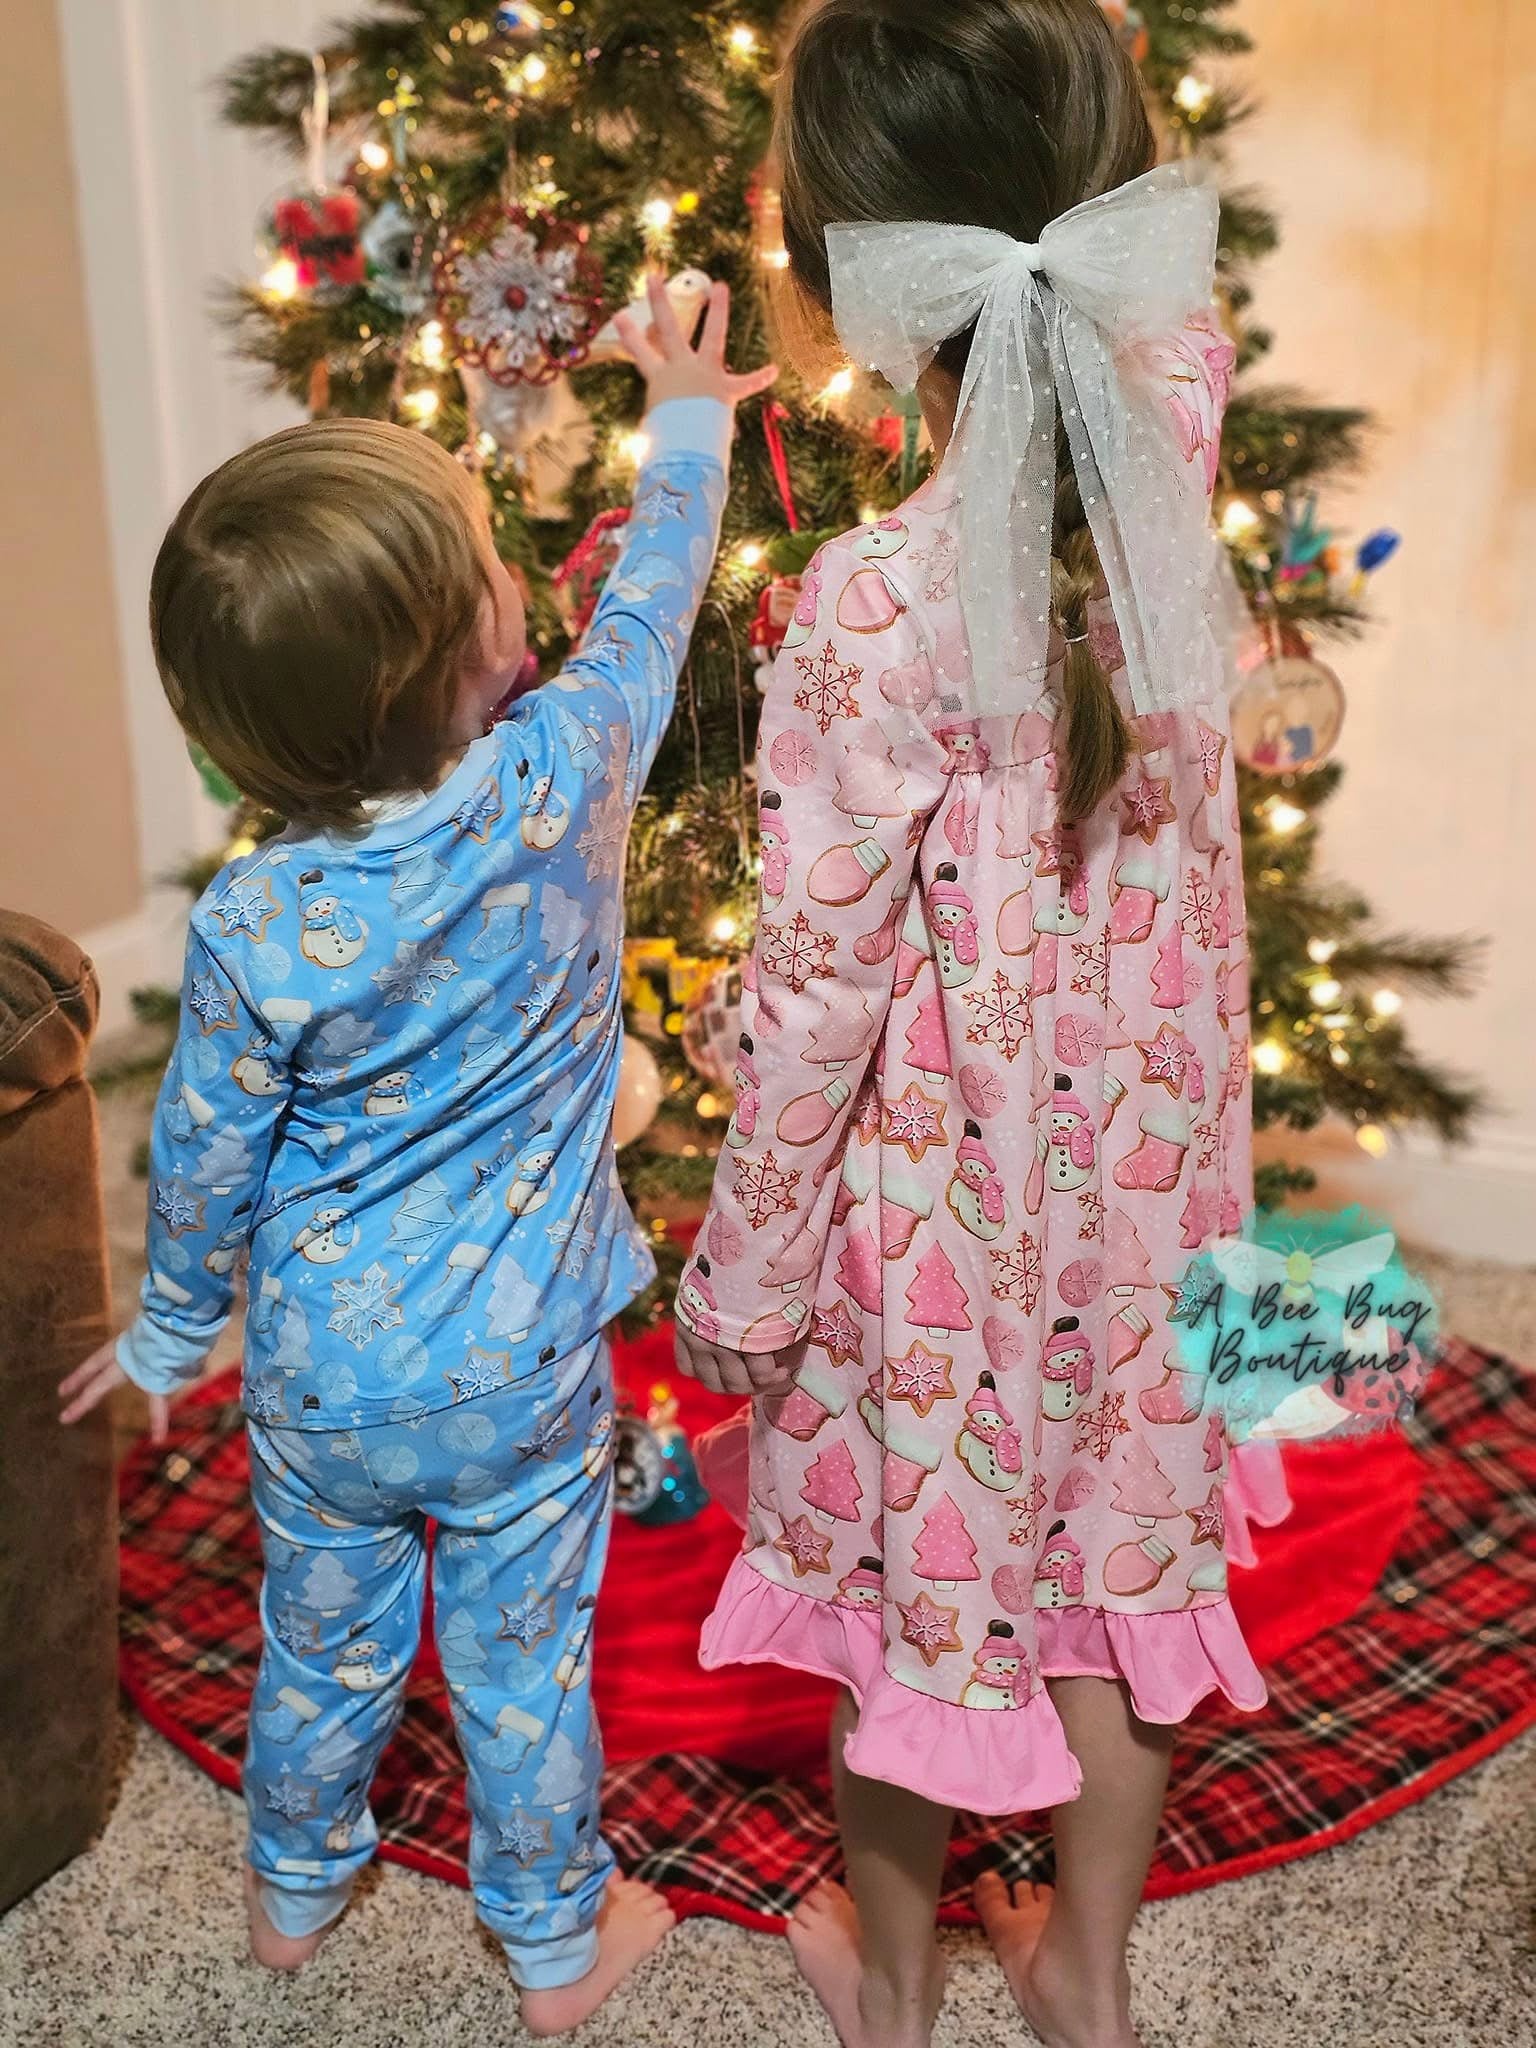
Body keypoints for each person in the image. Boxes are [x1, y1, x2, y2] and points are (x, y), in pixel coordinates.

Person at [61, 276, 774, 2035]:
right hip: (521, 1363)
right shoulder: (566, 772)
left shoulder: (255, 917)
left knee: (324, 1638)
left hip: (316, 1373)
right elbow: (659, 605)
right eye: (488, 555)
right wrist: (688, 413)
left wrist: (166, 1334)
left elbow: (208, 1157)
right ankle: (553, 1940)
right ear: (487, 652)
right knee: (521, 1660)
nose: (513, 569)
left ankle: (294, 1887)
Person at [672, 5, 1265, 2045]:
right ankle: (1088, 1976)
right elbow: (1160, 313)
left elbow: (815, 990)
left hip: (947, 1225)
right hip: (1161, 1184)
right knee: (1126, 1561)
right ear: (1115, 211)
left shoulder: (868, 598)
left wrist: (742, 1277)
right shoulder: (1177, 428)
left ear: (852, 266)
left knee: (918, 1606)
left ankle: (898, 1982)